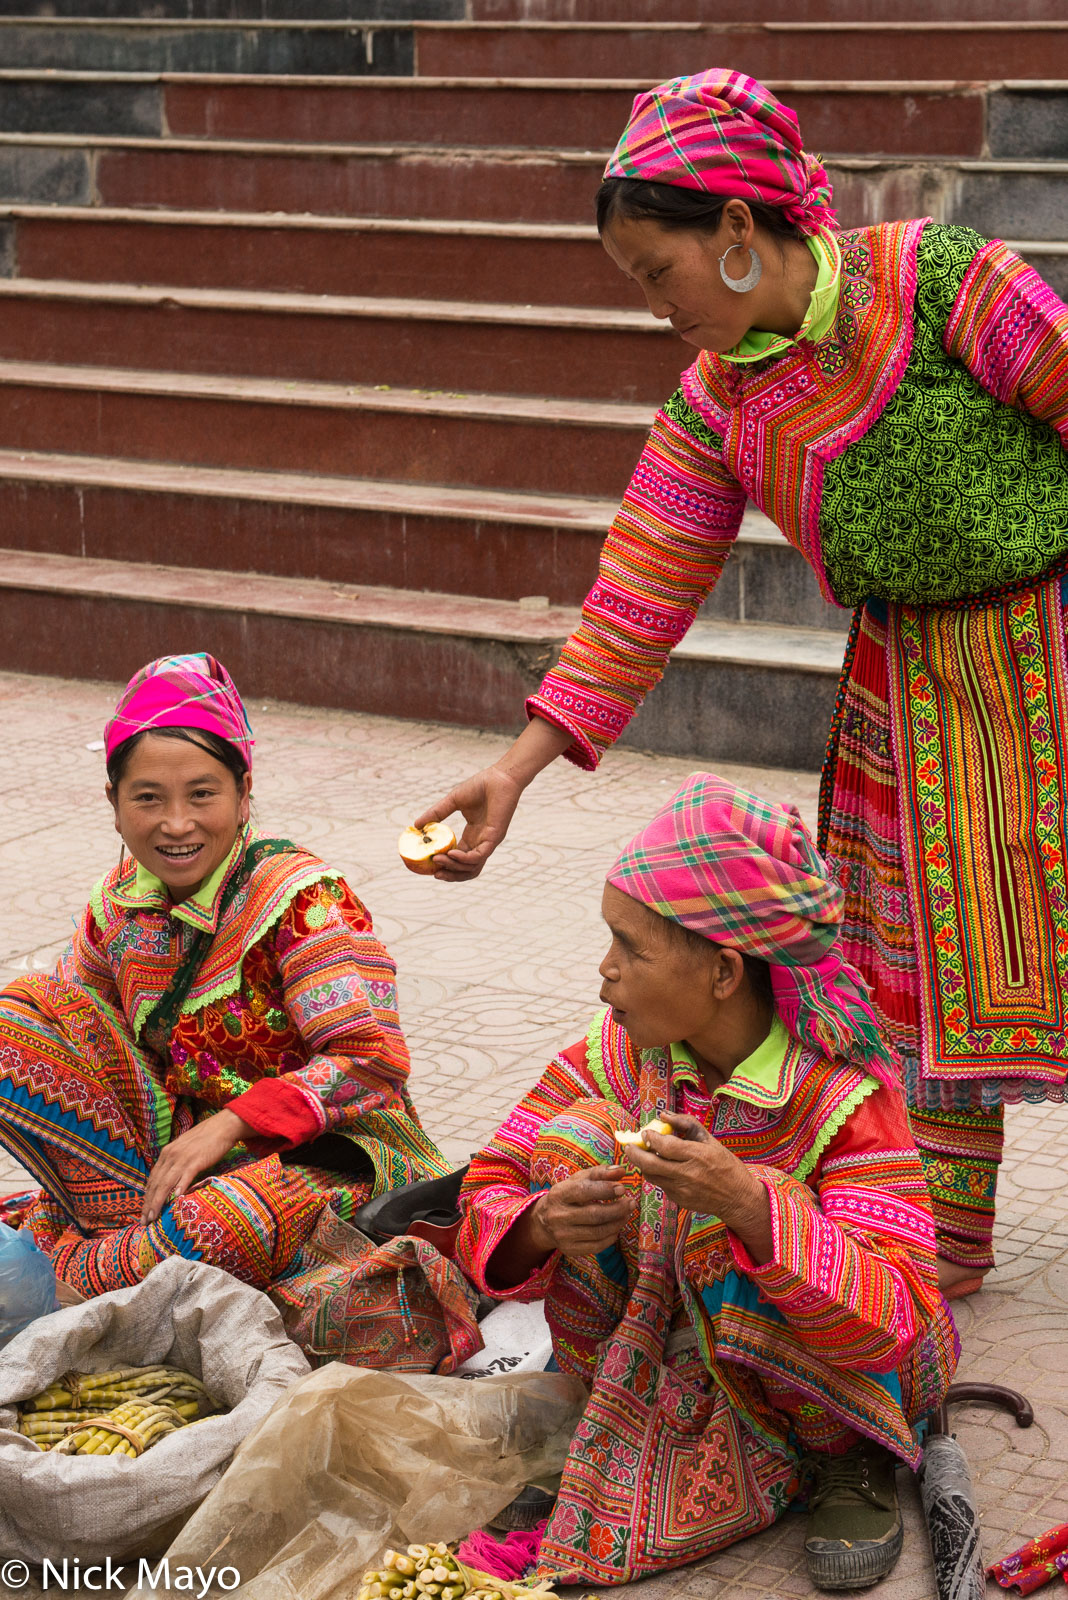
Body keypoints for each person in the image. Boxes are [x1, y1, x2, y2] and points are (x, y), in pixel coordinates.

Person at [418, 68, 1068, 1298]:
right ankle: (935, 1241)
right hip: (905, 686)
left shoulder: (944, 283)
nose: (655, 307)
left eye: (655, 273)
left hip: (1053, 643)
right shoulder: (719, 404)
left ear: (733, 231)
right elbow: (637, 594)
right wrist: (513, 774)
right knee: (909, 965)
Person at [454, 774, 956, 1592]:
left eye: (632, 948)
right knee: (572, 1141)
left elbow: (897, 1316)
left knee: (746, 1212)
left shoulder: (843, 1095)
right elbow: (492, 1180)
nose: (606, 971)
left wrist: (749, 1206)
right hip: (674, 1347)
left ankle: (845, 1456)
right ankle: (621, 1411)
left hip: (832, 1370)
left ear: (724, 972)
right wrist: (544, 1223)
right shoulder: (621, 1052)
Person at [0, 653, 478, 1369]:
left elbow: (369, 1062)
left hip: (327, 1159)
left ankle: (88, 1265)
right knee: (18, 1012)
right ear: (113, 800)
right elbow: (77, 1034)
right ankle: (126, 1247)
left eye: (202, 795)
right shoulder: (119, 904)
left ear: (245, 792)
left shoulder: (303, 899)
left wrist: (232, 1123)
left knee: (215, 1225)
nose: (176, 824)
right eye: (148, 799)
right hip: (180, 1149)